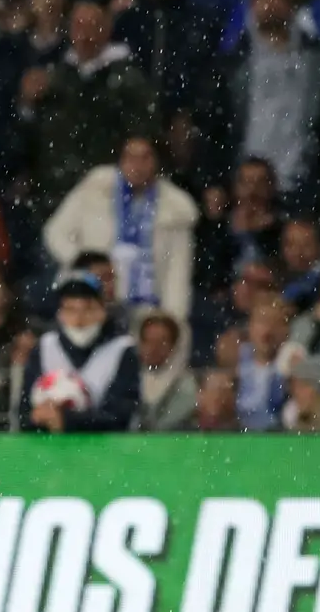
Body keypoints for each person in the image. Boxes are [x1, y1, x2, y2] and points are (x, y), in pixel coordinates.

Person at [43, 135, 200, 319]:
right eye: (130, 157)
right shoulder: (94, 189)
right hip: (88, 299)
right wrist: (86, 266)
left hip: (144, 311)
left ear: (157, 162)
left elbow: (177, 278)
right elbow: (55, 233)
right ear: (120, 160)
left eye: (145, 157)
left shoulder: (175, 211)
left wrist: (171, 322)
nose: (137, 165)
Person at [19, 275, 139, 433]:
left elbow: (120, 416)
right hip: (50, 451)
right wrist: (39, 418)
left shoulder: (122, 349)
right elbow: (24, 413)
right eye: (70, 309)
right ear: (60, 314)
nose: (79, 320)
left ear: (103, 311)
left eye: (88, 309)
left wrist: (67, 421)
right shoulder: (45, 346)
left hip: (106, 451)